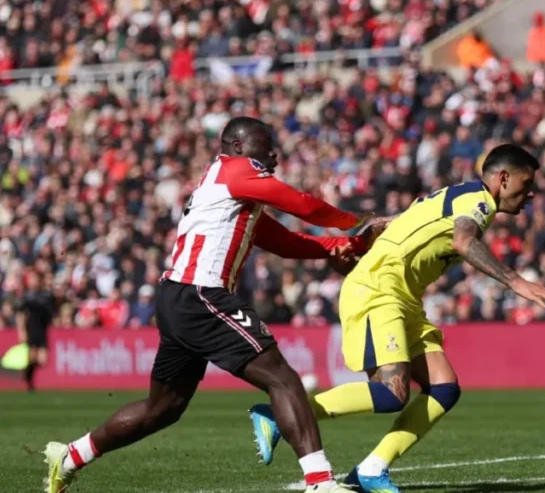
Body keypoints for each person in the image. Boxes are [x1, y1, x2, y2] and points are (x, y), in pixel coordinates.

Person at [44, 117, 380, 493]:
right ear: (237, 146)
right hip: (201, 293)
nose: (273, 152)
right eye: (263, 144)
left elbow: (284, 241)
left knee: (164, 408)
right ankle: (319, 482)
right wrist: (354, 220)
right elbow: (300, 203)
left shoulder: (230, 193)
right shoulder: (237, 171)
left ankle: (71, 455)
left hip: (178, 296)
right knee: (282, 379)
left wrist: (343, 246)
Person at [248, 143, 545, 493]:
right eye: (527, 183)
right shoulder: (478, 201)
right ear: (503, 179)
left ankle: (371, 469)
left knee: (444, 388)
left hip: (401, 295)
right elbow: (463, 241)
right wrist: (515, 281)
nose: (531, 192)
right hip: (379, 290)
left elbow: (404, 224)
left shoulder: (459, 195)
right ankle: (279, 413)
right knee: (391, 393)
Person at [18, 271, 54, 392]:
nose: (34, 282)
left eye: (36, 279)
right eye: (32, 279)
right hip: (31, 330)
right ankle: (29, 382)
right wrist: (22, 331)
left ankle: (27, 372)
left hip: (42, 330)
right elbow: (21, 315)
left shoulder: (46, 295)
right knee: (32, 357)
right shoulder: (27, 296)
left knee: (43, 360)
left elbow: (51, 313)